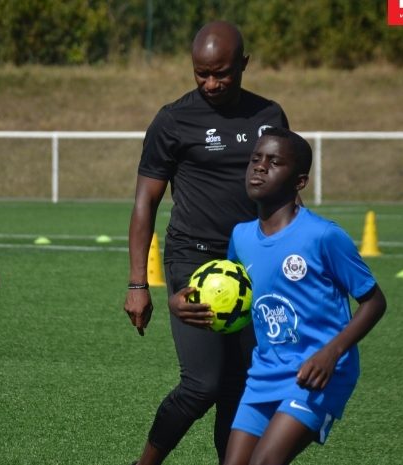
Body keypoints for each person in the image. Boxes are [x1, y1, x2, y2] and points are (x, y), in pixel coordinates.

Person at [123, 20, 289, 464]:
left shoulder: (269, 117)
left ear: (244, 65)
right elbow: (145, 203)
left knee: (243, 383)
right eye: (201, 73)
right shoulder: (173, 119)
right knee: (203, 382)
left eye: (222, 73)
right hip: (193, 259)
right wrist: (138, 283)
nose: (211, 83)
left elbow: (285, 199)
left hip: (254, 265)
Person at [208, 127, 385, 464]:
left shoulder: (323, 236)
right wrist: (190, 306)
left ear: (300, 181)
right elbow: (234, 299)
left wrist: (331, 353)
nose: (260, 167)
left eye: (274, 162)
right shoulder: (241, 236)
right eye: (256, 159)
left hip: (316, 373)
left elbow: (374, 301)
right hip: (265, 371)